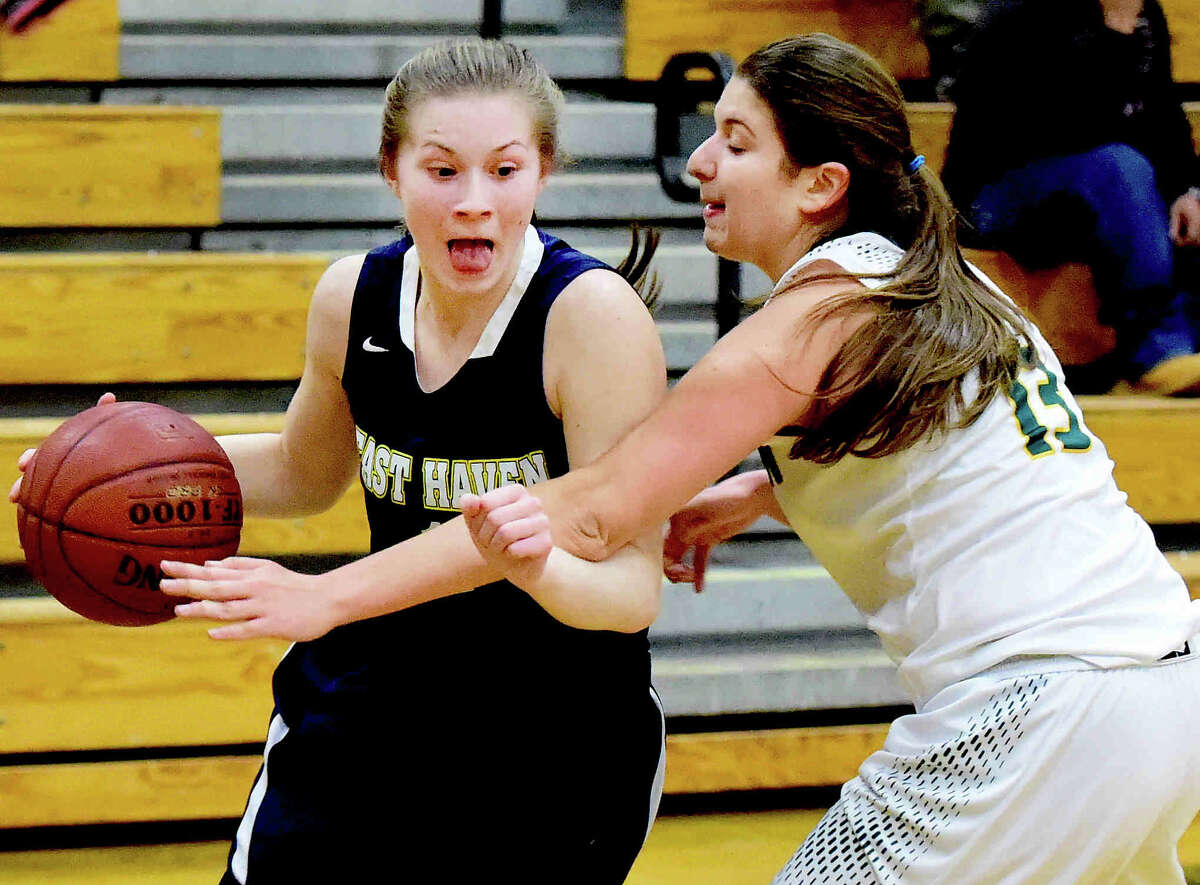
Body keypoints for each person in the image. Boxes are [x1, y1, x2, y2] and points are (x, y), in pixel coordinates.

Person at [136, 33, 1200, 882]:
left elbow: (591, 513)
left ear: (819, 182)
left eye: (734, 140)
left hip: (1038, 716)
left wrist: (329, 599)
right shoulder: (943, 284)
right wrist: (762, 494)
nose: (699, 160)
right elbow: (980, 468)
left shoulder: (799, 325)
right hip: (1164, 688)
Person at [8, 38, 671, 883]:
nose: (475, 202)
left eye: (505, 171)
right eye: (442, 171)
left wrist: (535, 569)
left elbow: (632, 589)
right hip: (377, 691)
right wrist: (130, 457)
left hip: (553, 725)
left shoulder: (591, 320)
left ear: (543, 170)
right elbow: (304, 470)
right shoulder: (351, 296)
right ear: (392, 170)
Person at [942, 0, 1200, 395]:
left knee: (1139, 176)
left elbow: (1161, 113)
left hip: (1097, 186)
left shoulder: (1142, 11)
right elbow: (1065, 129)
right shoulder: (1022, 15)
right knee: (1120, 168)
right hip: (995, 193)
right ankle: (1157, 349)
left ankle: (1188, 343)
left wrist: (1187, 189)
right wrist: (1116, 31)